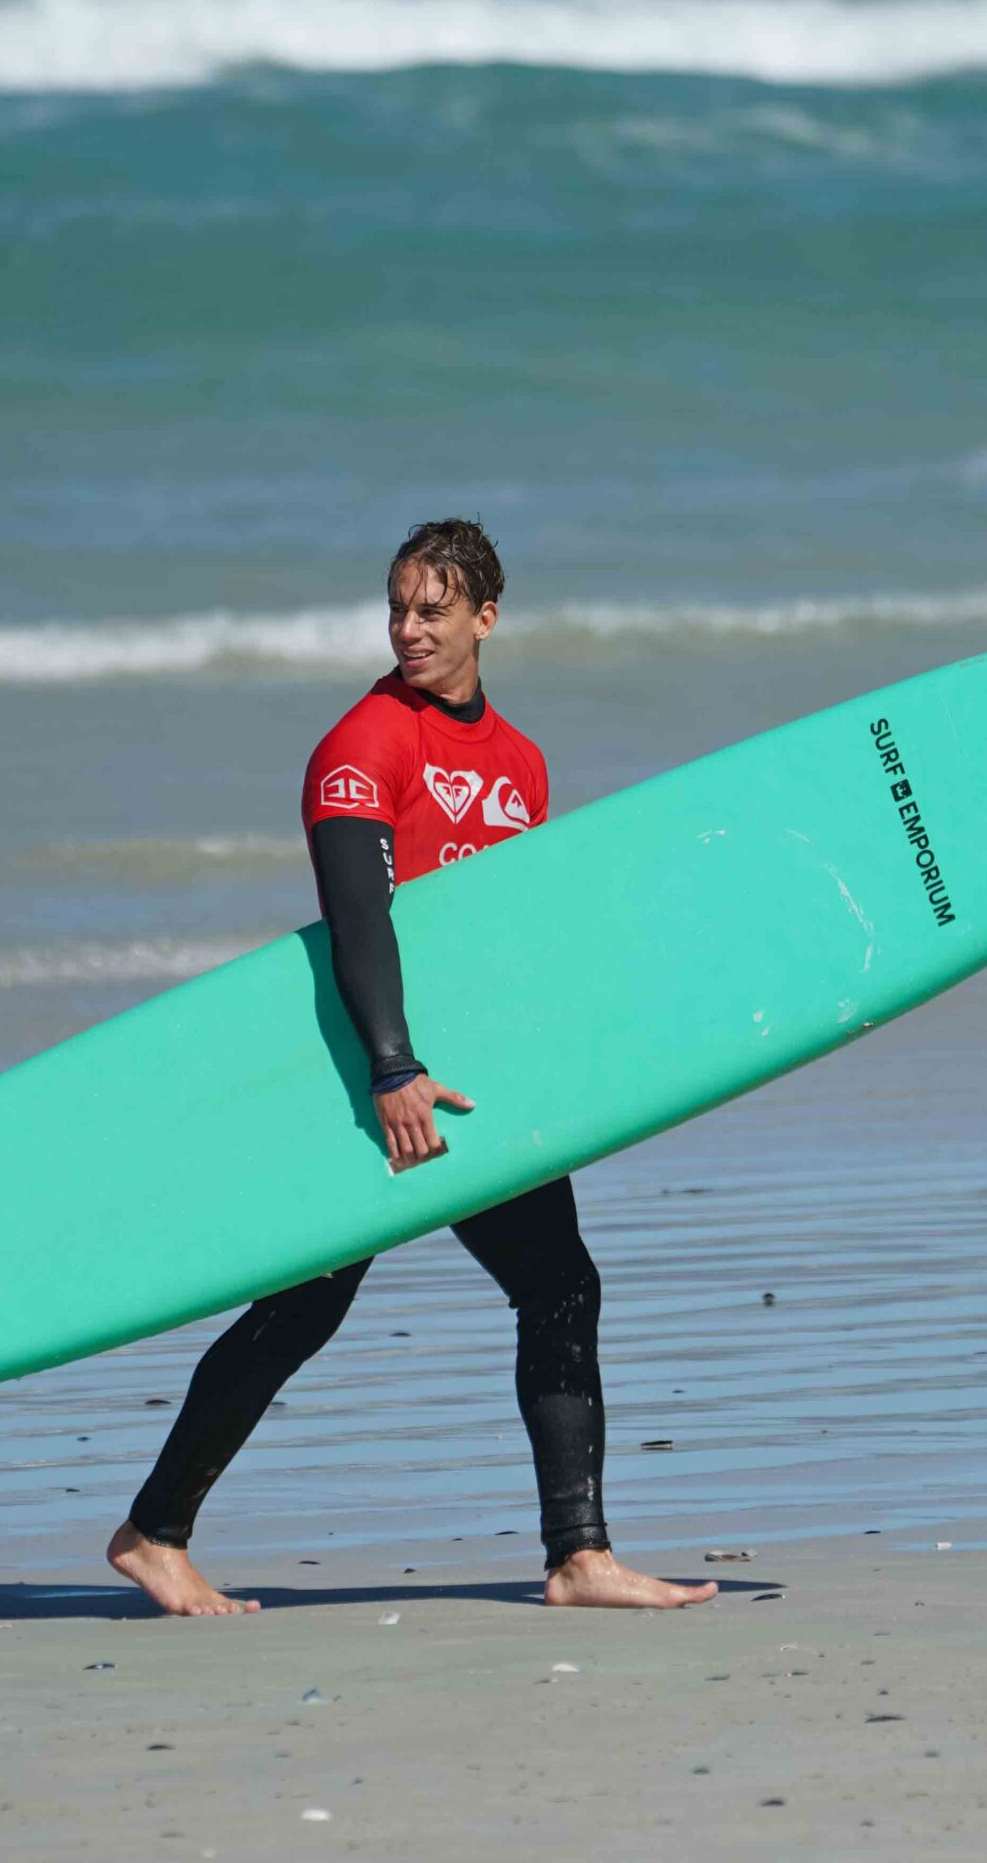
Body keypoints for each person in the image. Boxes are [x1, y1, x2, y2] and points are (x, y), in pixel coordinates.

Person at [107, 517, 716, 1617]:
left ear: (487, 615)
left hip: (470, 1076)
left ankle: (578, 1556)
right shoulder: (364, 744)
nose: (408, 628)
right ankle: (154, 1531)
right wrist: (392, 1066)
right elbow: (357, 920)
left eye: (432, 608)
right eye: (396, 607)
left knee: (557, 1283)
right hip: (372, 1073)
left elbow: (513, 947)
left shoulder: (521, 765)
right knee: (306, 1305)